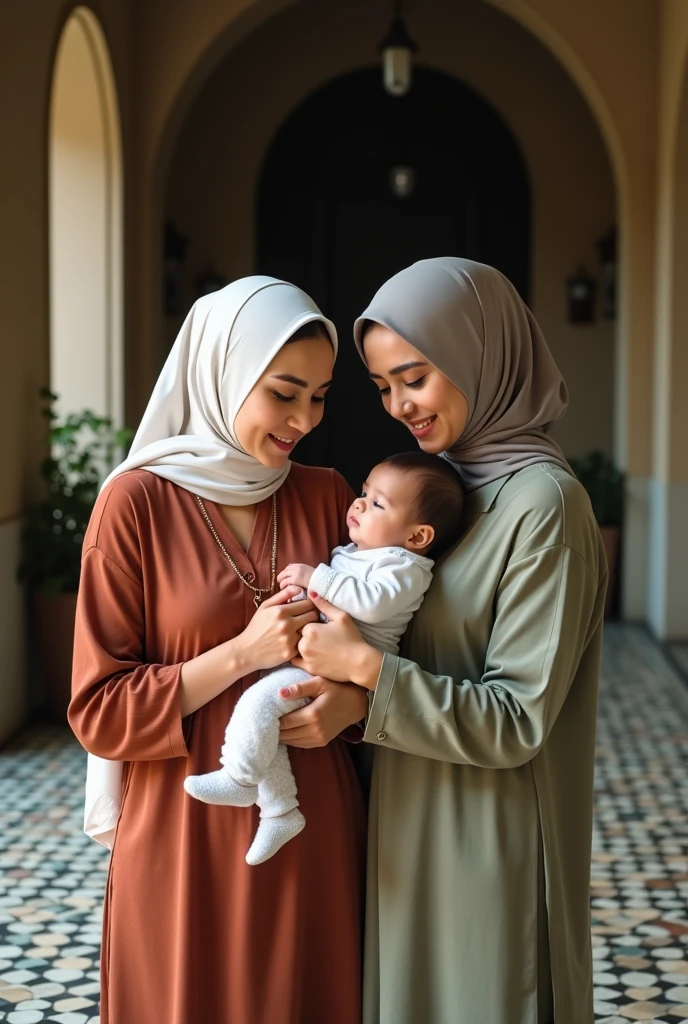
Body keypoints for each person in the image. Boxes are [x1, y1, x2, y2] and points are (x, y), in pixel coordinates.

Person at [281, 258, 607, 1024]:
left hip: (490, 839)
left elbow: (519, 718)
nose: (399, 405)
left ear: (477, 354)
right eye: (384, 386)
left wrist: (364, 669)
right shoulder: (442, 488)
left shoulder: (544, 507)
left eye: (415, 378)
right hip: (406, 815)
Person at [68, 277, 368, 1024]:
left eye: (321, 396)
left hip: (309, 820)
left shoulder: (332, 494)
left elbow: (382, 648)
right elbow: (98, 710)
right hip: (179, 825)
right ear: (223, 370)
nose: (304, 419)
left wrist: (350, 702)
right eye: (284, 392)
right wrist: (240, 654)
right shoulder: (134, 501)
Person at [183, 451, 463, 866]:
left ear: (418, 537)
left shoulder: (405, 566)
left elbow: (369, 603)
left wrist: (316, 578)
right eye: (364, 493)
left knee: (257, 705)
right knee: (269, 731)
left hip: (344, 675)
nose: (359, 504)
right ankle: (280, 810)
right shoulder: (360, 551)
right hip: (319, 663)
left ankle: (239, 777)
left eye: (377, 503)